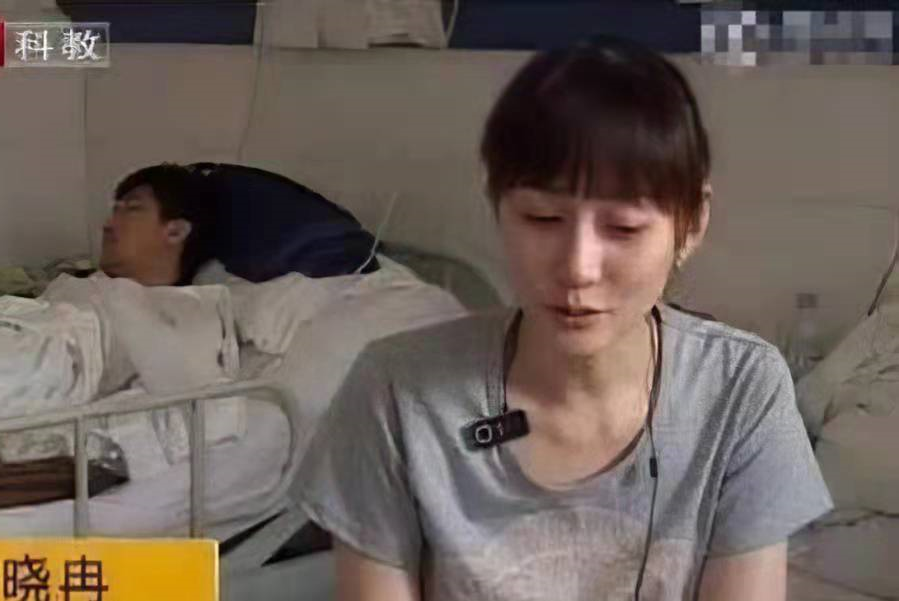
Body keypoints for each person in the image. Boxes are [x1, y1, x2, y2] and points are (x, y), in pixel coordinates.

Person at [293, 36, 832, 600]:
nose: (578, 268)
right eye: (542, 219)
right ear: (496, 205)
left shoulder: (739, 392)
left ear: (691, 224)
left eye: (623, 228)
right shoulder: (397, 394)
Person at [0, 163, 213, 349]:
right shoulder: (79, 288)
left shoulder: (169, 321)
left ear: (175, 231)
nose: (109, 224)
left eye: (133, 209)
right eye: (116, 209)